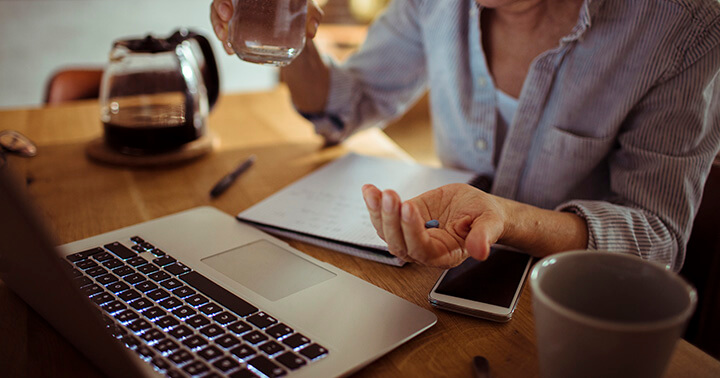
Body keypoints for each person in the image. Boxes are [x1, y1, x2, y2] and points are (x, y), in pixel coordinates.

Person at [211, 0, 720, 271]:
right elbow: (348, 105)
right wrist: (292, 37)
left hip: (572, 310)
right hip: (441, 280)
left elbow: (658, 238)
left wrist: (508, 218)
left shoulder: (684, 26)